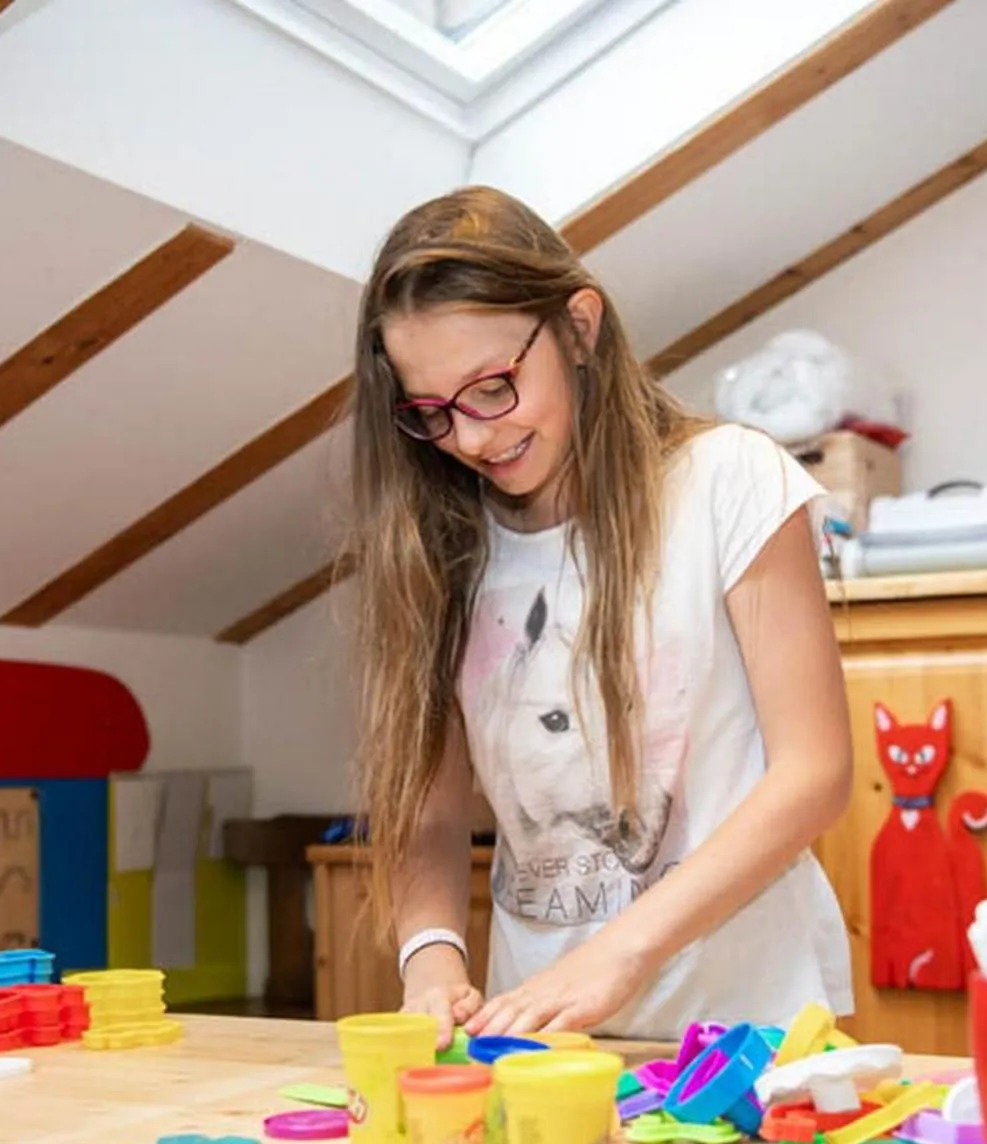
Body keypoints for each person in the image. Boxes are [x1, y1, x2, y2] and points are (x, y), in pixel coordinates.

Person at [346, 185, 853, 1044]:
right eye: (430, 412)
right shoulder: (442, 545)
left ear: (579, 328)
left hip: (749, 1029)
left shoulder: (729, 481)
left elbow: (814, 774)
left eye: (493, 388)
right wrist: (429, 957)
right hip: (541, 1036)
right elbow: (428, 812)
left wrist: (619, 952)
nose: (470, 440)